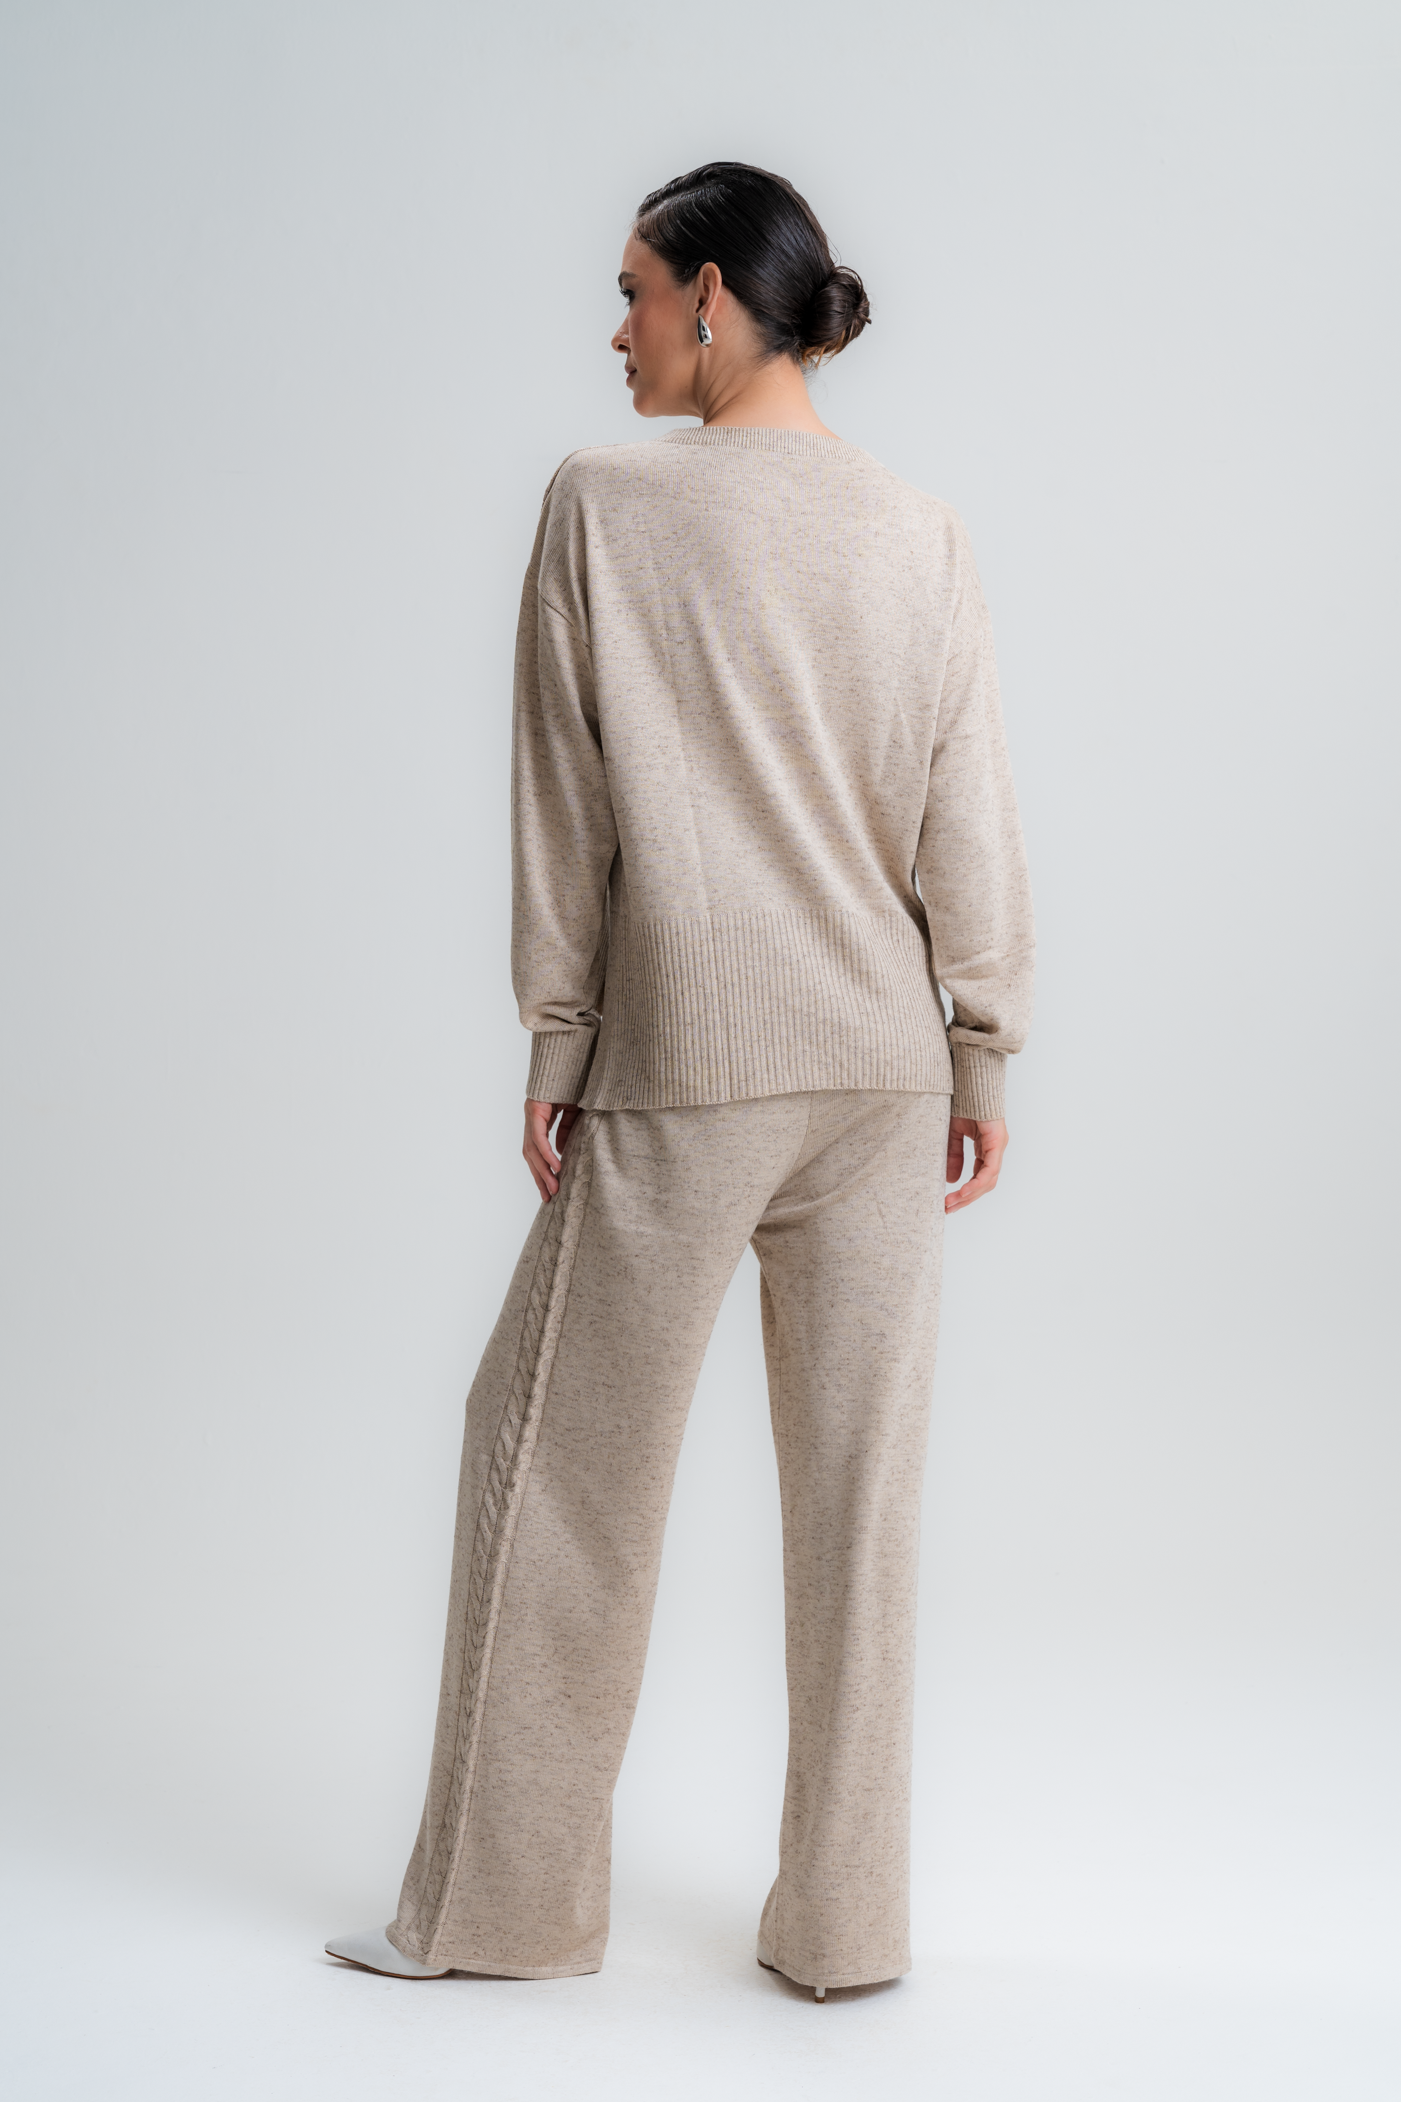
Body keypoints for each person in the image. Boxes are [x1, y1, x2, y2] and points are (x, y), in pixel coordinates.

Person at [326, 161, 1033, 2001]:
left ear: (715, 300)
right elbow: (968, 810)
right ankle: (844, 1935)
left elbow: (563, 806)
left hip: (692, 1063)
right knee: (861, 1512)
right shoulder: (923, 532)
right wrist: (980, 1045)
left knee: (558, 1471)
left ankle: (501, 1915)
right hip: (884, 1074)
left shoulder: (604, 503)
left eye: (635, 290)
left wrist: (558, 1036)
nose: (617, 328)